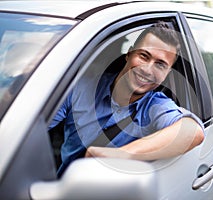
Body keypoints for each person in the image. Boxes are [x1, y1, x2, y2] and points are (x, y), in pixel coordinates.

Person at [49, 21, 205, 177]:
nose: (147, 70)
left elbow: (193, 132)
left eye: (160, 65)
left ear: (166, 74)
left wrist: (121, 155)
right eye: (144, 56)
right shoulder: (81, 88)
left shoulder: (156, 106)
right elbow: (34, 125)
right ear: (129, 54)